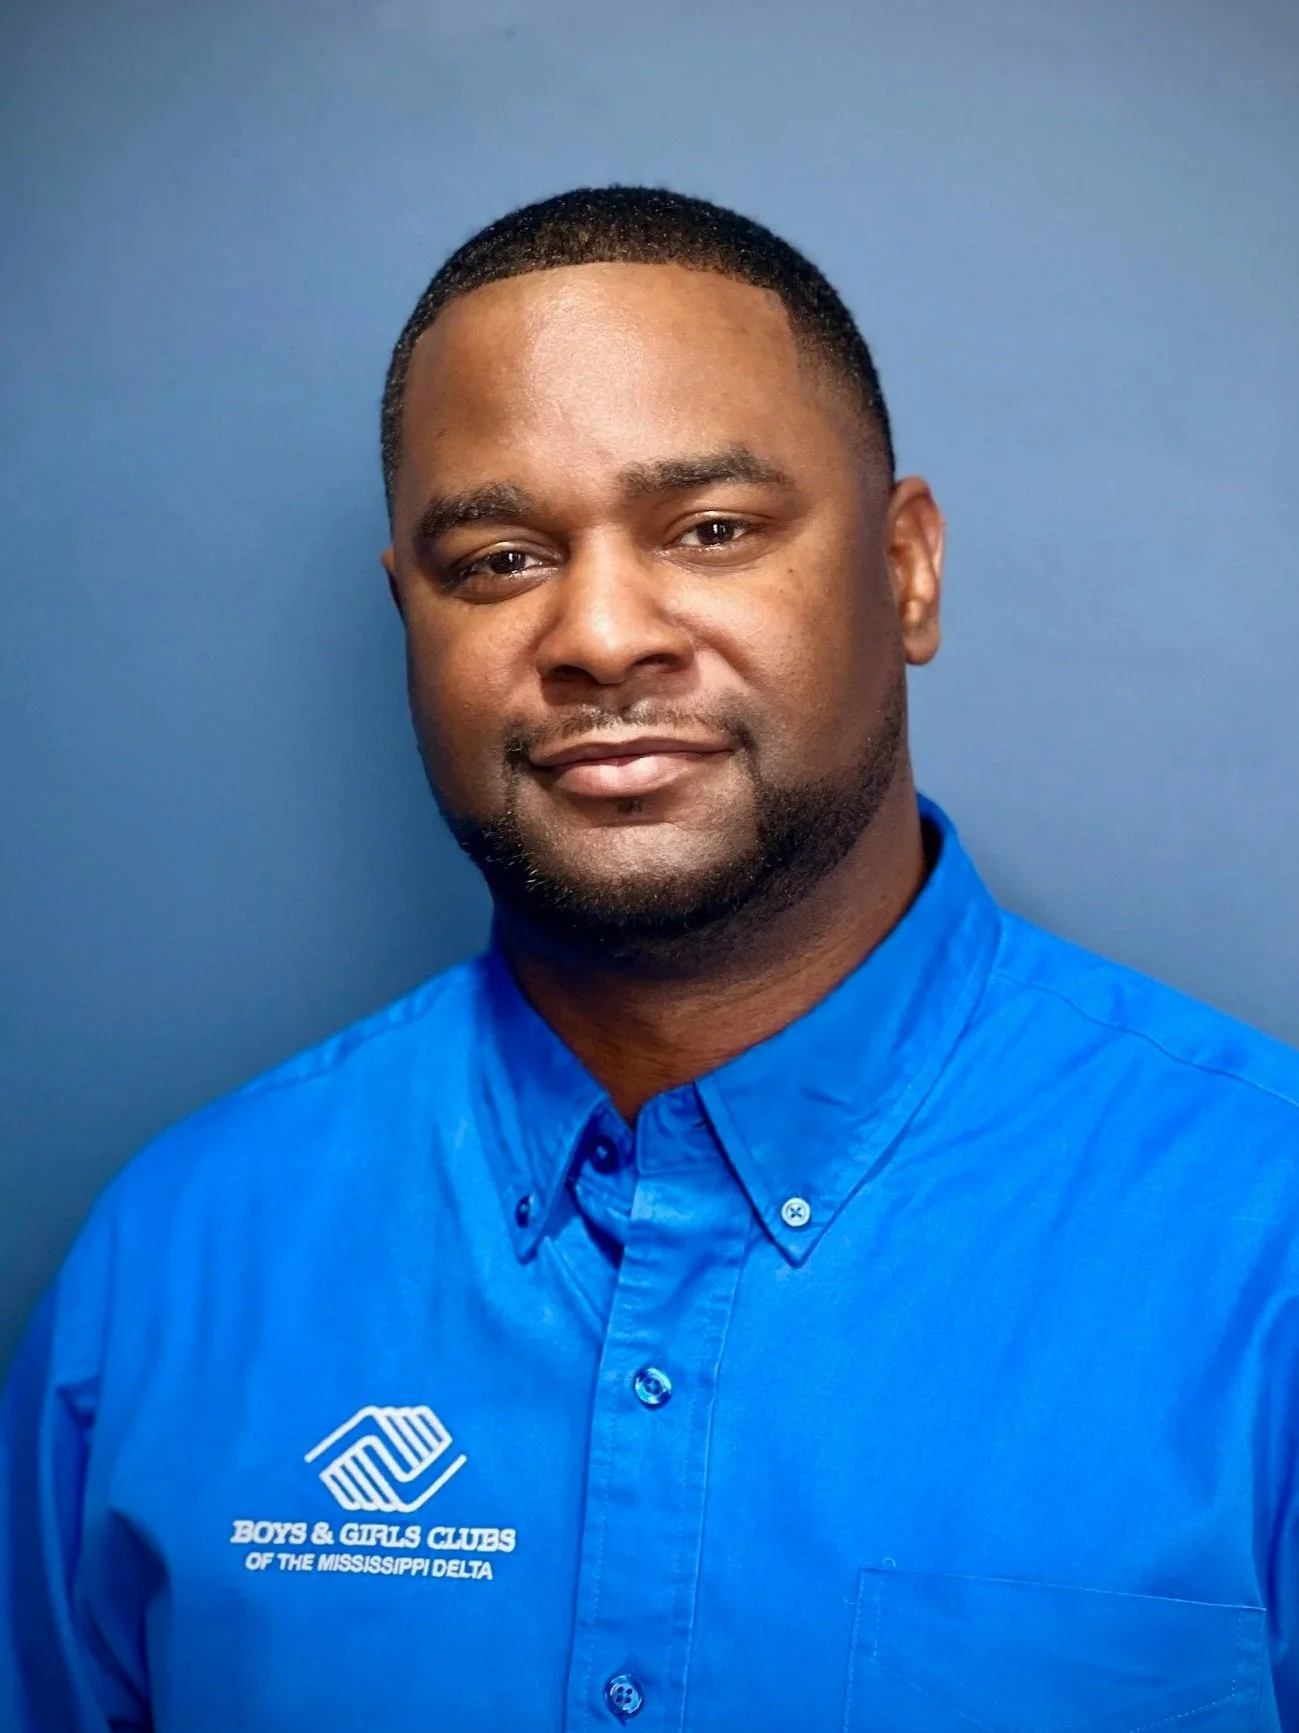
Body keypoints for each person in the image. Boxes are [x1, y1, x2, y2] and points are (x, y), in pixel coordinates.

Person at [2, 185, 1298, 1732]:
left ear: (906, 572)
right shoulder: (174, 1265)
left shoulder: (1259, 1242)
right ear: (407, 612)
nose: (601, 636)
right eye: (495, 559)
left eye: (710, 530)